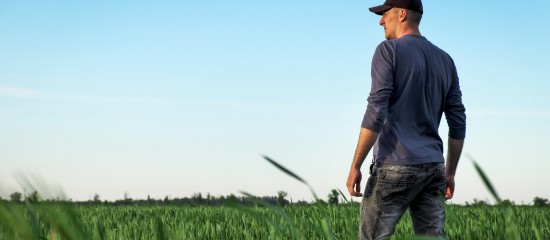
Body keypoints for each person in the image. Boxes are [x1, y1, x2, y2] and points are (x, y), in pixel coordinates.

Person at [345, 0, 466, 239]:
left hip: (394, 165)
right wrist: (449, 172)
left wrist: (355, 165)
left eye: (384, 14)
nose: (380, 20)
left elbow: (376, 110)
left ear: (401, 14)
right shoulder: (446, 60)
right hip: (433, 168)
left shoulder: (387, 50)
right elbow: (458, 119)